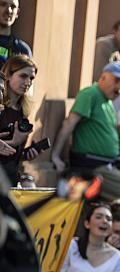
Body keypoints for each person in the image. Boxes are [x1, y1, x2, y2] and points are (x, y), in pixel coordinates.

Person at [50, 61, 120, 215]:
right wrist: (55, 155)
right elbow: (69, 124)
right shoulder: (91, 94)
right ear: (103, 77)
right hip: (94, 166)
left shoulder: (107, 101)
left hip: (109, 165)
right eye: (117, 81)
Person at [0, 54, 38, 185]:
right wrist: (14, 141)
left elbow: (14, 155)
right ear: (8, 76)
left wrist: (27, 154)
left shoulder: (23, 111)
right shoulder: (1, 107)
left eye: (31, 78)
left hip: (11, 176)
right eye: (23, 76)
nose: (28, 82)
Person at [0, 0, 31, 68]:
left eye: (13, 6)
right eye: (3, 4)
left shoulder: (22, 50)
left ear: (17, 13)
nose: (9, 10)